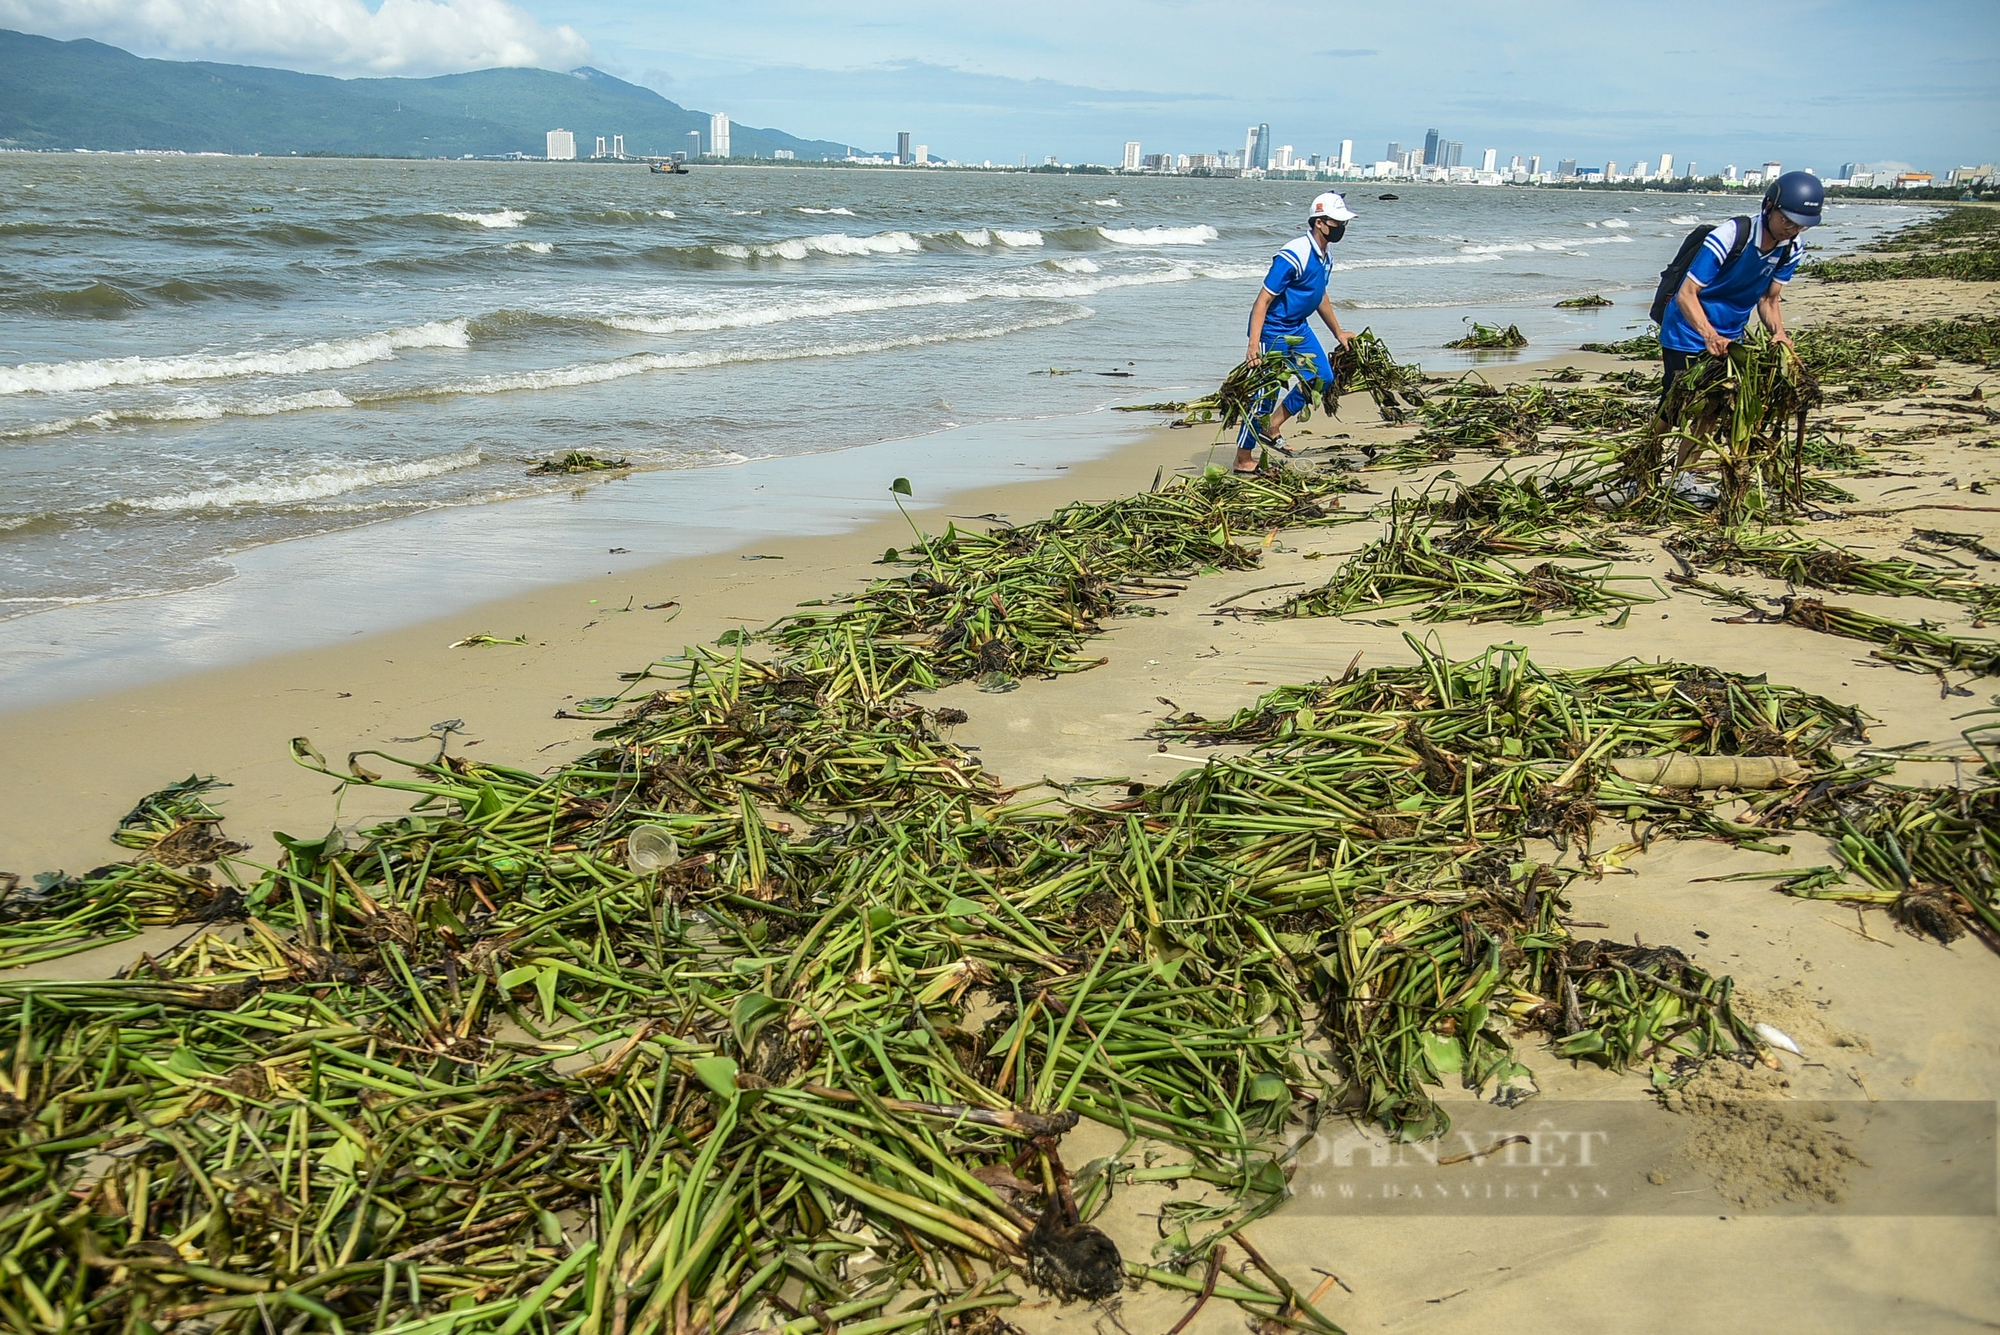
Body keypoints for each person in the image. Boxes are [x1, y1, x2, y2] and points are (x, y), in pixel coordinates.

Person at [1658, 170, 1823, 406]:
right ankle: (1653, 442)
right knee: (1677, 403)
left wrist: (1779, 333)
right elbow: (1686, 294)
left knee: (1716, 405)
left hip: (1732, 336)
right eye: (1786, 220)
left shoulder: (1792, 247)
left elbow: (1768, 299)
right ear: (1768, 206)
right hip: (1687, 331)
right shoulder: (1731, 235)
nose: (1791, 230)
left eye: (1800, 226)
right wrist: (1709, 335)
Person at [1234, 192, 1358, 475]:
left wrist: (1338, 332)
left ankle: (1273, 425)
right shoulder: (1294, 254)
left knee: (1321, 377)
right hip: (1273, 332)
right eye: (1337, 222)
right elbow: (1262, 300)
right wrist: (1254, 344)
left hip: (1299, 327)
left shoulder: (1326, 257)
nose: (1342, 228)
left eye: (1344, 222)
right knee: (1265, 392)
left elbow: (1319, 294)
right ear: (1319, 222)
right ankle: (1242, 458)